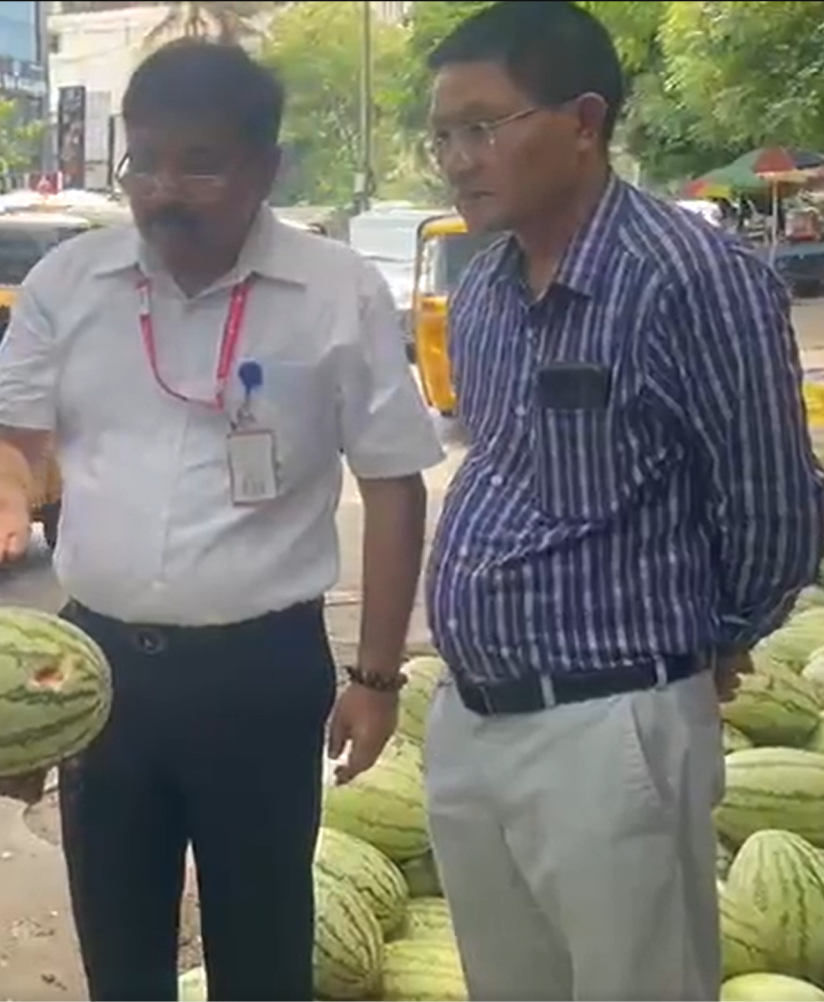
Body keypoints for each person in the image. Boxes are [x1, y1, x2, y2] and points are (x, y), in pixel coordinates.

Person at [0, 39, 445, 1001]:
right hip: (98, 672)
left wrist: (375, 676)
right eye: (146, 162)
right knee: (120, 950)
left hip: (262, 672)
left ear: (265, 168)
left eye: (199, 164)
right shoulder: (70, 283)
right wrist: (3, 484)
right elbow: (5, 437)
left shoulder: (336, 293)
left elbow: (393, 483)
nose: (165, 190)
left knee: (263, 948)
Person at [421, 4, 824, 999]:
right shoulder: (481, 290)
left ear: (582, 120)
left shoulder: (691, 278)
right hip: (470, 719)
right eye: (439, 135)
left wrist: (713, 638)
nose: (456, 159)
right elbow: (505, 469)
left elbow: (770, 509)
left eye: (481, 126)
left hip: (611, 728)